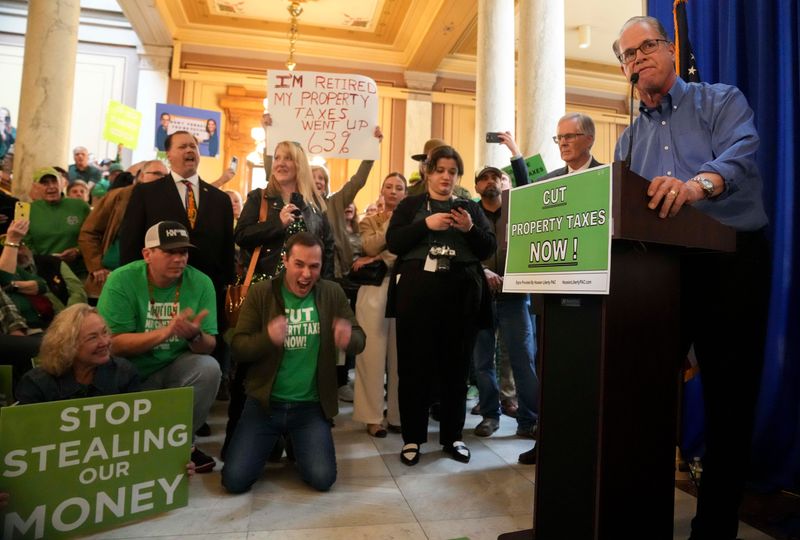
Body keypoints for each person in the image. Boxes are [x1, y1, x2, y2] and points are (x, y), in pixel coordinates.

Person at [612, 16, 771, 540]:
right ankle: (640, 513)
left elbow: (741, 155)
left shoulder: (719, 100)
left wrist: (694, 187)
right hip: (658, 275)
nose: (638, 59)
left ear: (671, 50)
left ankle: (716, 527)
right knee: (643, 394)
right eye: (628, 55)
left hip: (730, 263)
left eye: (647, 46)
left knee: (729, 400)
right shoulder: (629, 139)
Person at [222, 232, 365, 493]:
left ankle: (294, 440)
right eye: (299, 264)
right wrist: (268, 338)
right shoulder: (261, 292)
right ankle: (277, 441)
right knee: (234, 481)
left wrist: (348, 339)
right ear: (285, 260)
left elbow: (359, 338)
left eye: (314, 266)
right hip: (264, 406)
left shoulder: (331, 293)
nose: (306, 275)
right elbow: (239, 346)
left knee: (322, 479)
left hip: (309, 409)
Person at [386, 145, 495, 465]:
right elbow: (394, 242)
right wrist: (426, 225)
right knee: (413, 368)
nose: (446, 176)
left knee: (456, 370)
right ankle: (413, 439)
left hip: (460, 296)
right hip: (417, 295)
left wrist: (469, 229)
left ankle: (452, 437)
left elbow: (487, 247)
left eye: (453, 171)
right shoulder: (410, 205)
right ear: (428, 173)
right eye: (440, 170)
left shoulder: (470, 209)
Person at [226, 139, 334, 456]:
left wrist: (326, 297)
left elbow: (326, 250)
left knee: (292, 368)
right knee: (250, 371)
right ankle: (240, 443)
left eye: (289, 158)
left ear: (299, 164)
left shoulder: (314, 206)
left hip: (303, 300)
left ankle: (289, 441)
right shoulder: (260, 198)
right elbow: (241, 236)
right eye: (278, 158)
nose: (282, 162)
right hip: (263, 296)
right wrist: (277, 223)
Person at [119, 131, 235, 414]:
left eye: (194, 146)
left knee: (201, 351)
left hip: (203, 291)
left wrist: (225, 286)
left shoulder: (219, 199)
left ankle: (198, 409)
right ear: (168, 154)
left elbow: (226, 250)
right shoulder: (146, 193)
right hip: (155, 291)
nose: (189, 150)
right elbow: (131, 242)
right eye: (182, 146)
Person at [98, 221, 221, 472]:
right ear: (147, 254)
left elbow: (209, 346)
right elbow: (114, 345)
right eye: (170, 252)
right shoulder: (122, 280)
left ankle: (181, 444)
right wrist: (166, 332)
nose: (179, 259)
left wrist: (195, 335)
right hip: (130, 374)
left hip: (174, 368)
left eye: (183, 252)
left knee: (208, 368)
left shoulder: (201, 282)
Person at [352, 172, 407, 437]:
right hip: (374, 289)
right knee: (371, 355)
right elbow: (370, 246)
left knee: (400, 356)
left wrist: (379, 257)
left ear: (405, 193)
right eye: (389, 186)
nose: (393, 191)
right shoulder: (368, 221)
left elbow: (404, 255)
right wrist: (392, 225)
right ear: (382, 190)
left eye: (399, 188)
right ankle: (372, 417)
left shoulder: (412, 222)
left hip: (404, 287)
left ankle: (397, 415)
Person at [15, 304, 139, 403]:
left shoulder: (124, 373)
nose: (105, 342)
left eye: (104, 332)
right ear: (68, 345)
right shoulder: (36, 384)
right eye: (92, 337)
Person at [79, 159, 169, 291]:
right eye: (157, 173)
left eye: (166, 176)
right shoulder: (117, 197)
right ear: (141, 176)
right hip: (110, 276)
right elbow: (89, 232)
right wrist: (96, 266)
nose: (162, 179)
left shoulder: (166, 202)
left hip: (149, 280)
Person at [24, 167, 91, 280]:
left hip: (78, 272)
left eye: (54, 181)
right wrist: (46, 258)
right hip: (43, 273)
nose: (51, 186)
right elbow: (25, 242)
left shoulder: (80, 206)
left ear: (62, 183)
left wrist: (77, 251)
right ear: (36, 187)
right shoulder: (29, 210)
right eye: (44, 183)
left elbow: (92, 235)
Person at [538, 112, 602, 181]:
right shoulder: (547, 182)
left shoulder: (609, 176)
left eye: (569, 137)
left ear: (589, 140)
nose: (562, 143)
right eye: (559, 138)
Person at [407, 139, 472, 199]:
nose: (446, 176)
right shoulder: (409, 193)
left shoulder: (462, 195)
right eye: (440, 170)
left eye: (452, 172)